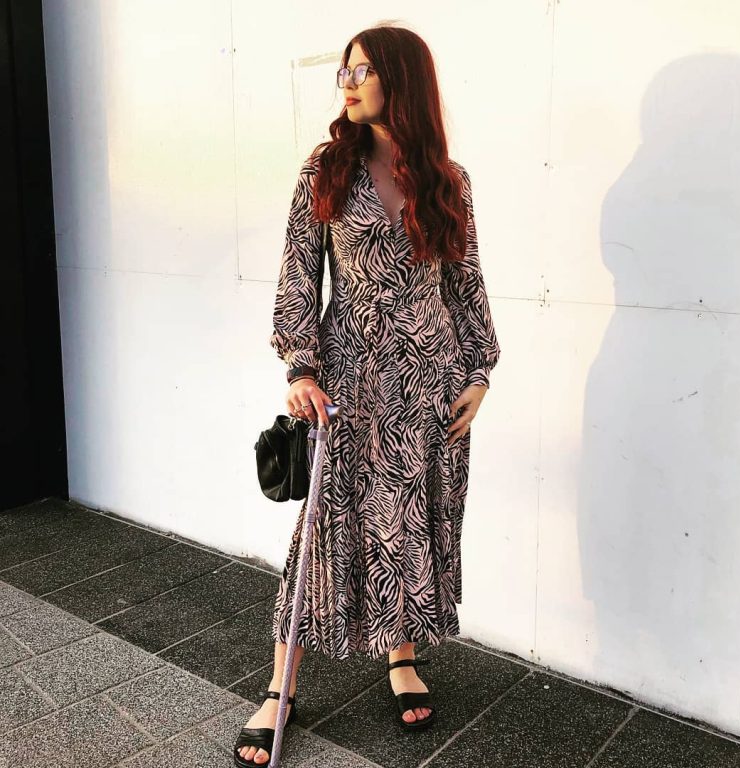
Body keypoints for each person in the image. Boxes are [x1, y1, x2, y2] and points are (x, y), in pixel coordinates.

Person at [234, 23, 501, 766]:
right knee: (323, 530)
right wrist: (301, 368)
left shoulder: (449, 180)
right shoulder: (325, 169)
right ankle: (280, 688)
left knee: (411, 522)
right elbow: (298, 274)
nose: (346, 83)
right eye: (343, 72)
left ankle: (402, 657)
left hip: (431, 383)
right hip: (349, 381)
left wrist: (480, 372)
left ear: (401, 82)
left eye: (362, 72)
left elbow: (466, 280)